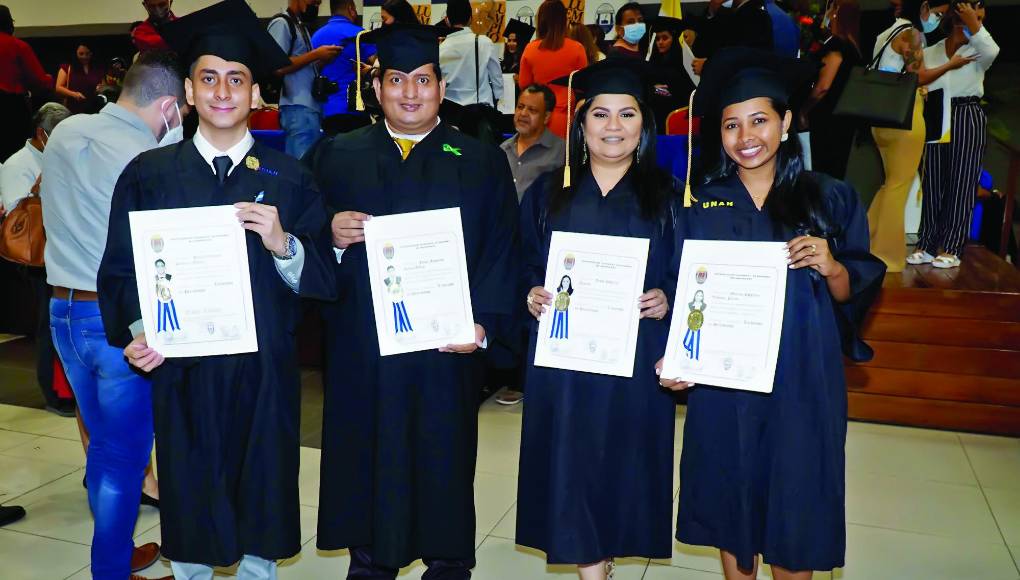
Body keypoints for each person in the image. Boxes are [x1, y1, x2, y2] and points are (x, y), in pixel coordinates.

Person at [99, 2, 336, 579]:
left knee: (260, 504)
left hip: (264, 374)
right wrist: (136, 333)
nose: (222, 91)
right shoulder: (149, 174)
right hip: (184, 375)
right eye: (208, 78)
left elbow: (326, 282)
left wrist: (285, 243)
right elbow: (121, 271)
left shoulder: (290, 176)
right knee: (191, 503)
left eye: (237, 79)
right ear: (188, 90)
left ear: (257, 93)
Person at [660, 47, 886, 580]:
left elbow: (855, 290)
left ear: (785, 122)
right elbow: (682, 288)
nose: (746, 137)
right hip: (725, 383)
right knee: (729, 497)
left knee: (797, 501)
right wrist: (675, 356)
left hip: (804, 380)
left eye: (759, 120)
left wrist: (831, 265)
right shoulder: (703, 207)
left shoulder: (829, 198)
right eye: (732, 124)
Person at [304, 23, 519, 579]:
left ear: (441, 89)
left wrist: (483, 329)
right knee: (366, 457)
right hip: (362, 349)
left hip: (443, 352)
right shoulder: (336, 156)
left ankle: (447, 565)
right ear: (376, 89)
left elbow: (502, 251)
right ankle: (370, 562)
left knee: (443, 459)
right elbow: (297, 242)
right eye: (396, 80)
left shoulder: (478, 160)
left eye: (422, 80)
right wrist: (328, 231)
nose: (410, 92)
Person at [516, 59, 681, 580]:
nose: (614, 127)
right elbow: (519, 263)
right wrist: (530, 293)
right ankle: (592, 567)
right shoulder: (547, 193)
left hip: (635, 357)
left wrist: (669, 297)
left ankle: (605, 556)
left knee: (622, 458)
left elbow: (690, 272)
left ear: (644, 125)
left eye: (628, 114)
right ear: (581, 125)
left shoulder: (670, 198)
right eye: (601, 114)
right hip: (563, 359)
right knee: (570, 458)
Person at [40, 49, 187, 580]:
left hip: (62, 313)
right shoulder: (145, 159)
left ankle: (118, 554)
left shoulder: (65, 131)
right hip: (116, 323)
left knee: (103, 450)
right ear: (170, 106)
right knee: (123, 460)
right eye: (182, 116)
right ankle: (110, 572)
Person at [867, 0, 972, 272]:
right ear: (924, 6)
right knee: (898, 185)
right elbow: (918, 76)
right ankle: (886, 256)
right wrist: (951, 65)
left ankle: (863, 242)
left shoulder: (887, 32)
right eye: (937, 13)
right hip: (905, 115)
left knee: (890, 184)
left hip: (880, 117)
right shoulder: (911, 34)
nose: (937, 19)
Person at [911, 0, 998, 269]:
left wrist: (974, 23)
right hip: (937, 111)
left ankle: (952, 247)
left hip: (966, 112)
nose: (976, 21)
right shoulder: (934, 49)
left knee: (962, 182)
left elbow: (992, 49)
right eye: (972, 15)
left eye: (981, 17)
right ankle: (926, 243)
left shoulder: (979, 49)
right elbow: (919, 75)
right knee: (933, 180)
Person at [0, 103, 72, 416]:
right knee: (47, 325)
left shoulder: (57, 157)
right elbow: (19, 219)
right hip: (35, 259)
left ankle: (64, 387)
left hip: (61, 252)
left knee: (60, 321)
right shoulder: (19, 163)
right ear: (42, 134)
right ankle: (52, 394)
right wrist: (41, 190)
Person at [269, 0, 342, 159]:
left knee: (308, 168)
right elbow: (277, 66)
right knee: (301, 168)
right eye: (314, 1)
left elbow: (303, 66)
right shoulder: (282, 23)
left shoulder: (301, 27)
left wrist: (322, 60)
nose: (317, 4)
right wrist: (315, 54)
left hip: (310, 109)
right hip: (297, 108)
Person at [800, 0, 863, 180]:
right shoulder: (855, 48)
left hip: (826, 120)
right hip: (845, 120)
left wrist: (804, 110)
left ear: (837, 14)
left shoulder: (836, 46)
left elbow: (823, 87)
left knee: (822, 171)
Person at [518, 0, 587, 138]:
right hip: (566, 119)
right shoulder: (577, 48)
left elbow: (524, 84)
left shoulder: (530, 49)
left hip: (537, 118)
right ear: (563, 20)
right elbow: (583, 87)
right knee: (564, 158)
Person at [312, 0, 376, 135]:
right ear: (351, 8)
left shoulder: (316, 36)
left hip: (327, 109)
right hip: (355, 109)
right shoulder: (360, 34)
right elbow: (376, 62)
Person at [0, 5, 53, 163]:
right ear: (9, 22)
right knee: (13, 156)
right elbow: (38, 81)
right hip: (10, 108)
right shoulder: (18, 46)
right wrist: (48, 79)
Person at [501, 84, 564, 201]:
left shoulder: (562, 152)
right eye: (520, 107)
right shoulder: (502, 150)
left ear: (546, 117)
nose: (523, 113)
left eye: (532, 110)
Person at [438, 0, 504, 108]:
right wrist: (498, 99)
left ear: (447, 20)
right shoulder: (484, 43)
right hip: (479, 112)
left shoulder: (440, 49)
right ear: (470, 19)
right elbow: (497, 79)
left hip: (450, 113)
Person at [690, 0, 774, 76]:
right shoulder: (733, 12)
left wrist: (707, 66)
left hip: (735, 86)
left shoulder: (758, 17)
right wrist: (713, 7)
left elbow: (745, 58)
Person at [55, 43, 106, 115]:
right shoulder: (67, 67)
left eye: (87, 53)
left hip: (93, 110)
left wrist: (100, 89)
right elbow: (58, 88)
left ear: (92, 53)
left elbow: (103, 86)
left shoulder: (97, 69)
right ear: (75, 53)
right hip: (73, 110)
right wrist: (73, 94)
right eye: (81, 54)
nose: (84, 57)